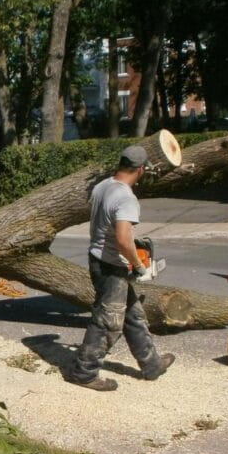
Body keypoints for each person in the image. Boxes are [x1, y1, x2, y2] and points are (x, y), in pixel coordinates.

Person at [65, 144, 175, 391]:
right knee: (108, 322)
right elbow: (124, 239)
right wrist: (139, 266)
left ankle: (151, 364)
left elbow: (106, 225)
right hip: (112, 266)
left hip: (98, 258)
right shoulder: (126, 198)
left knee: (133, 315)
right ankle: (83, 373)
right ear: (141, 169)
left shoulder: (102, 186)